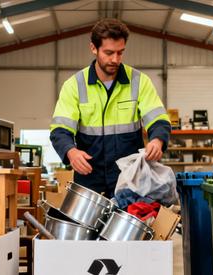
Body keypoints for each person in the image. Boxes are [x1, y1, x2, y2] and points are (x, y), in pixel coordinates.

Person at [50, 19, 171, 197]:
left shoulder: (139, 81)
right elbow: (60, 130)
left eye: (120, 53)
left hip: (130, 177)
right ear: (93, 48)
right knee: (88, 226)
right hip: (89, 176)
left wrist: (157, 140)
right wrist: (71, 151)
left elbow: (158, 119)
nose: (115, 59)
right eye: (109, 53)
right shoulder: (74, 85)